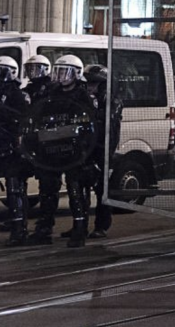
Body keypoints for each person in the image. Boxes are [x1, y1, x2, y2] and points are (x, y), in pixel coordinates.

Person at [28, 55, 99, 247]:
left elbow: (89, 123)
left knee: (75, 188)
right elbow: (40, 112)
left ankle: (79, 228)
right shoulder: (51, 91)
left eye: (65, 71)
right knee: (47, 188)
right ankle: (44, 228)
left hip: (74, 149)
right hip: (51, 148)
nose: (61, 76)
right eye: (58, 71)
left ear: (76, 73)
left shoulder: (83, 96)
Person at [83, 65, 122, 239]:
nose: (90, 86)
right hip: (86, 148)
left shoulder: (112, 100)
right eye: (89, 83)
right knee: (80, 186)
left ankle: (101, 225)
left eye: (94, 83)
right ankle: (80, 224)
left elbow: (109, 121)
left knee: (102, 190)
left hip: (103, 148)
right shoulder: (87, 98)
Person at [0, 56, 31, 246]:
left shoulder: (18, 94)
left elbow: (23, 118)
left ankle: (19, 229)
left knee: (15, 188)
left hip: (12, 146)